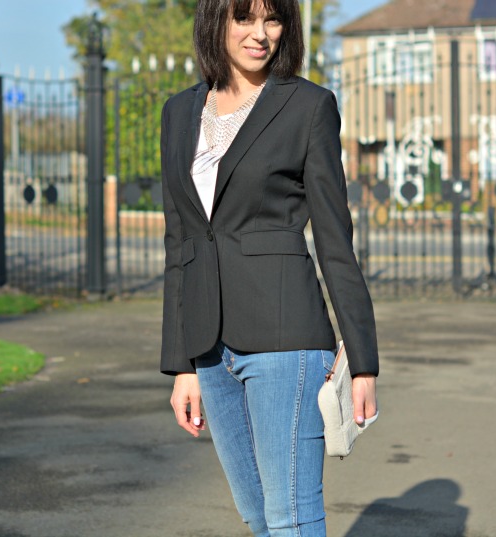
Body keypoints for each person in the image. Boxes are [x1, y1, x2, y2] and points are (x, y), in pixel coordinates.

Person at [159, 0, 379, 535]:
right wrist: (181, 364)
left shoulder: (308, 106)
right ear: (217, 21)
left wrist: (364, 359)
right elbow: (180, 242)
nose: (261, 34)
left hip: (287, 342)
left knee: (291, 519)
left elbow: (334, 239)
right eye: (244, 18)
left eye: (273, 19)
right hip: (210, 349)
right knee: (258, 519)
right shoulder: (178, 112)